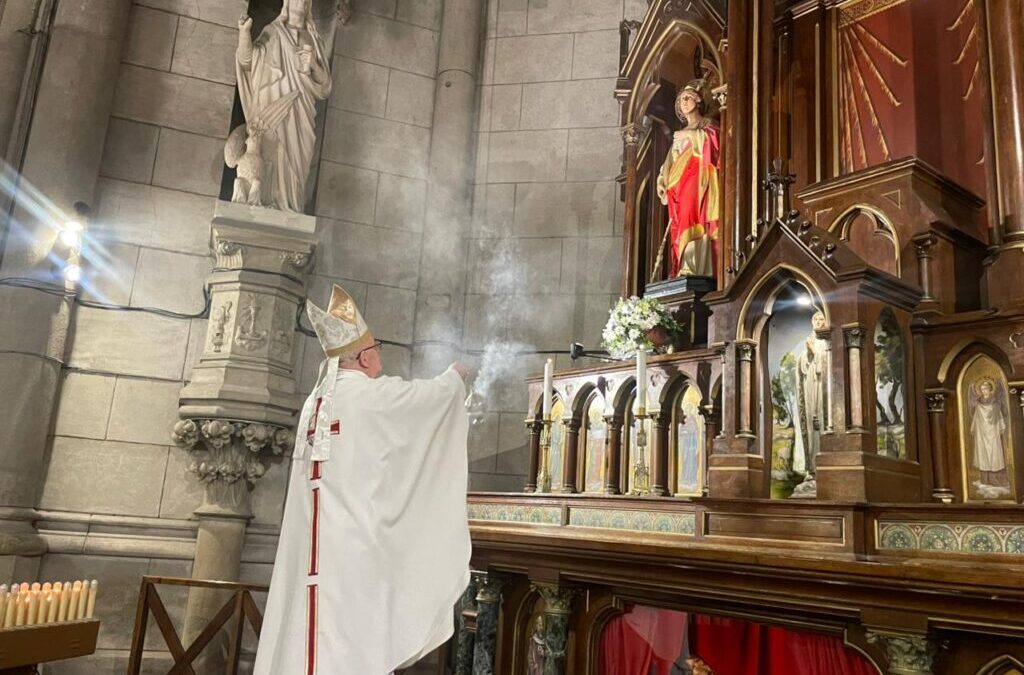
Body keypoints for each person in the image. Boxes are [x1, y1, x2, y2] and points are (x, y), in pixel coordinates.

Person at [253, 285, 472, 675]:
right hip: (352, 558)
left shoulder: (315, 403)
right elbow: (429, 401)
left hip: (313, 555)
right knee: (349, 642)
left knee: (307, 636)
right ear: (365, 356)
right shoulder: (372, 396)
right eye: (378, 349)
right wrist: (455, 380)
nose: (380, 357)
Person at [235, 0, 331, 211]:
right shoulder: (273, 32)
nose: (301, 1)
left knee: (299, 161)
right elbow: (248, 61)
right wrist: (244, 34)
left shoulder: (315, 39)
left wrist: (313, 65)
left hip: (301, 112)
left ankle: (291, 206)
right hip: (272, 110)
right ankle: (264, 199)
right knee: (271, 152)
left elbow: (325, 86)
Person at [656, 79, 721, 279]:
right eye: (680, 100)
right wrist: (661, 180)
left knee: (692, 216)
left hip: (697, 179)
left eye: (687, 98)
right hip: (677, 184)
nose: (683, 103)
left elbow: (715, 146)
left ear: (698, 100)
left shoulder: (708, 125)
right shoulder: (679, 133)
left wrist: (691, 137)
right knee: (679, 222)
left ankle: (696, 266)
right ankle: (684, 265)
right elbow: (670, 161)